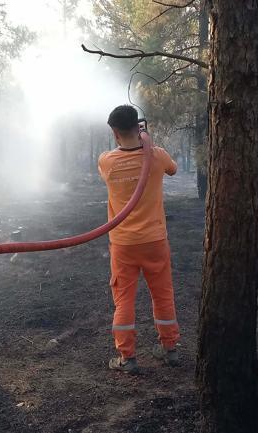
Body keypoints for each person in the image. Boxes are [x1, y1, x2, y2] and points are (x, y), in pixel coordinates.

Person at [98, 105, 180, 374]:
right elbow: (173, 169)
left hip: (123, 244)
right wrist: (149, 143)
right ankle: (169, 350)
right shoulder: (157, 156)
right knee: (162, 294)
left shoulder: (107, 162)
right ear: (139, 126)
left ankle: (127, 358)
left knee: (124, 300)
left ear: (114, 132)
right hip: (156, 240)